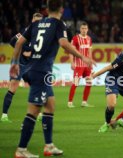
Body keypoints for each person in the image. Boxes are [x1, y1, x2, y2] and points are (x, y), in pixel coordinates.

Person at [10, 0, 93, 157]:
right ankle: (21, 150)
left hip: (32, 69)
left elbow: (19, 42)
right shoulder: (59, 24)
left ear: (47, 9)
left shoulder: (37, 23)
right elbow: (64, 43)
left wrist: (14, 63)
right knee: (34, 111)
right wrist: (83, 57)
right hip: (40, 72)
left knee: (50, 105)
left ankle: (48, 146)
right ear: (62, 9)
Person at [1, 13, 43, 123]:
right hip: (19, 64)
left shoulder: (40, 33)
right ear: (32, 20)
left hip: (30, 66)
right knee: (13, 88)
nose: (38, 23)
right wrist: (23, 50)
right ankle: (4, 115)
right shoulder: (27, 30)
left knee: (36, 88)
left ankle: (37, 113)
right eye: (36, 21)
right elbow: (12, 41)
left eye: (40, 22)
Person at [67, 22, 95, 108]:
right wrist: (72, 63)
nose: (84, 30)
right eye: (82, 28)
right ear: (80, 29)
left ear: (88, 29)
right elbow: (71, 52)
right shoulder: (75, 39)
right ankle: (70, 102)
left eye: (85, 28)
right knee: (75, 83)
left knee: (89, 83)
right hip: (78, 65)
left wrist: (90, 62)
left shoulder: (89, 39)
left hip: (87, 66)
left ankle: (84, 102)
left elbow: (89, 52)